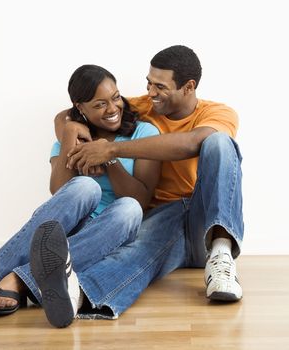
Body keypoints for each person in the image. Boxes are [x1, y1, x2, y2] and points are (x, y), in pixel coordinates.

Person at [0, 65, 161, 327]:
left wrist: (109, 155)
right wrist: (70, 134)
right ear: (80, 107)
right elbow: (59, 191)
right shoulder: (69, 136)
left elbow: (141, 198)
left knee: (129, 208)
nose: (113, 108)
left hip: (111, 231)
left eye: (116, 97)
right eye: (100, 104)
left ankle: (17, 279)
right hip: (68, 231)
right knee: (85, 187)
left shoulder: (143, 133)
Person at [44, 44, 243, 326]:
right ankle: (80, 294)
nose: (150, 93)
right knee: (141, 249)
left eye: (160, 86)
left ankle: (222, 255)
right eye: (148, 83)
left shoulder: (219, 113)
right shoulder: (144, 105)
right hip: (159, 217)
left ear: (188, 87)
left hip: (202, 221)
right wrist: (69, 128)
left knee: (220, 142)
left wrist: (111, 152)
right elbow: (73, 113)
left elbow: (190, 143)